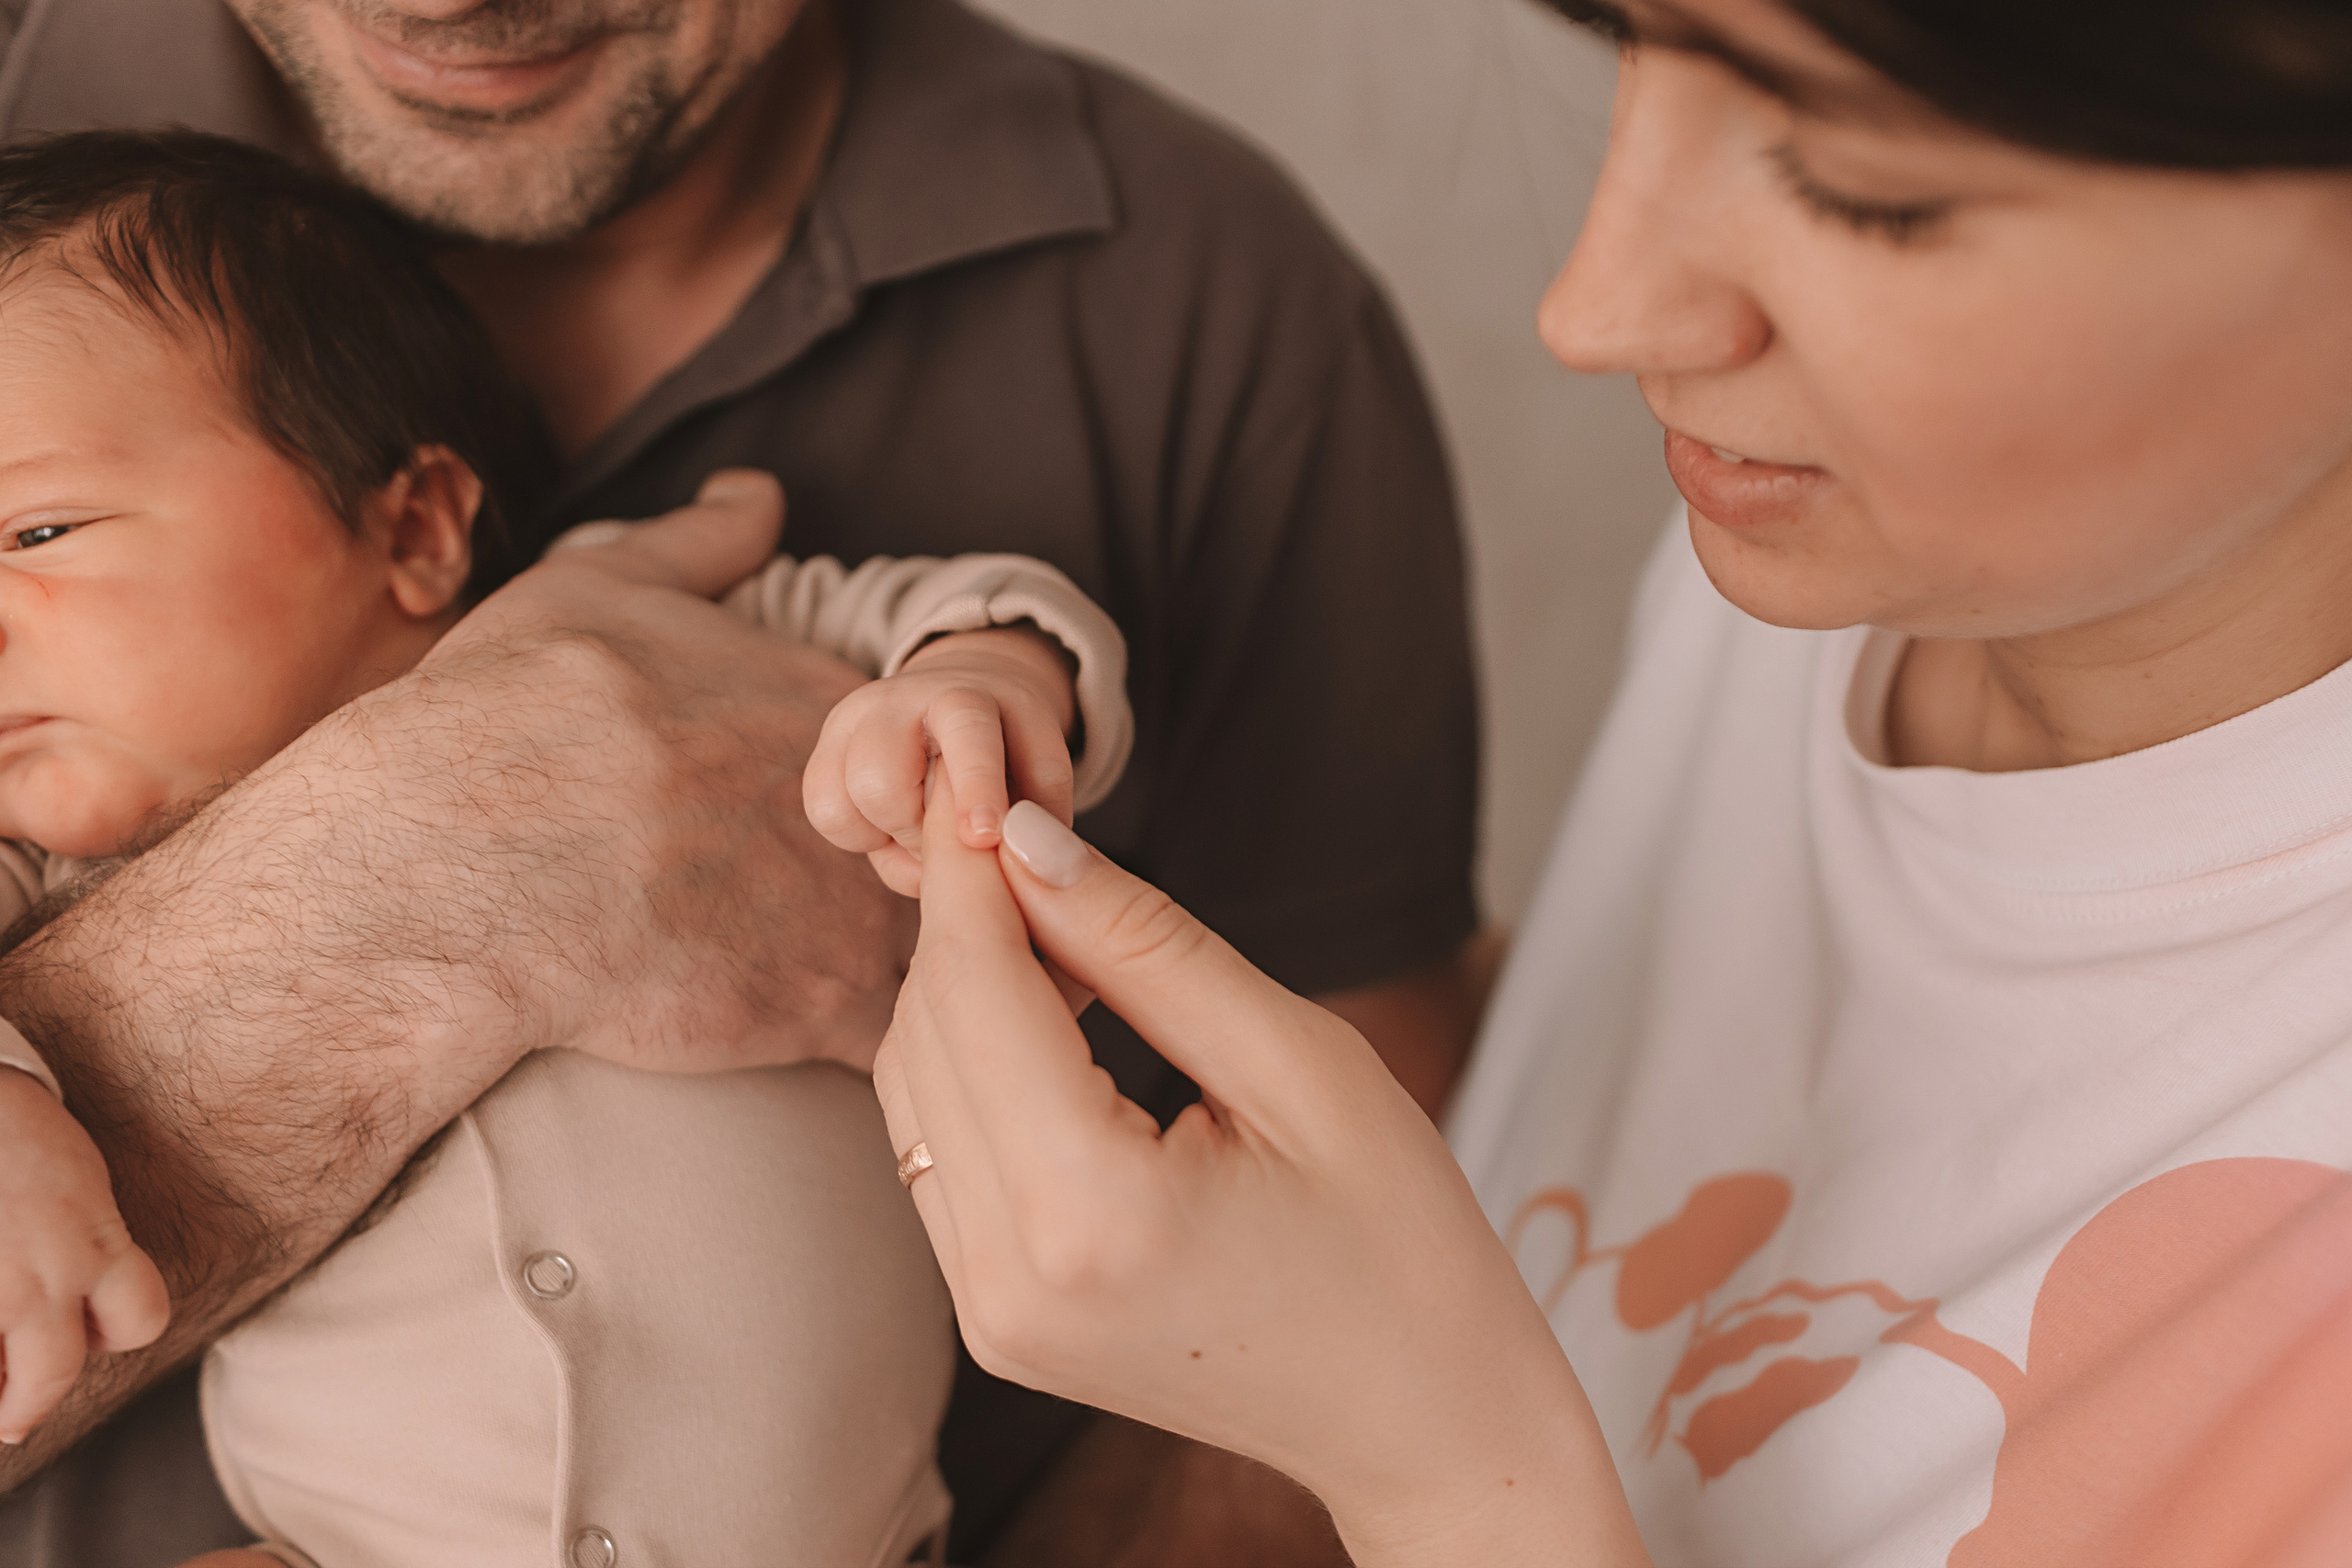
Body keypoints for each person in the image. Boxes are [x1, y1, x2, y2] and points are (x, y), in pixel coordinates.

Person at [0, 0, 1486, 1562]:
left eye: (38, 535)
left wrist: (984, 681)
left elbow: (1368, 1122)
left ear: (423, 527)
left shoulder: (1179, 295)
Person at [872, 0, 2352, 1562]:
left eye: (1864, 187)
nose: (1596, 307)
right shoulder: (1823, 570)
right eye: (1636, 46)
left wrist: (1438, 1474)